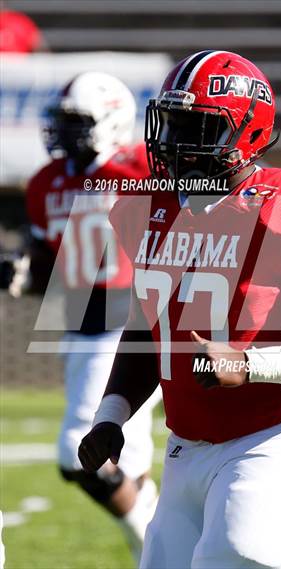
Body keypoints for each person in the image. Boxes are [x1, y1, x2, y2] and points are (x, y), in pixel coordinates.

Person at [78, 51, 281, 569]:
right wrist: (111, 415)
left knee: (239, 558)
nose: (175, 144)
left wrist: (248, 365)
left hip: (278, 434)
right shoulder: (146, 208)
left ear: (245, 133)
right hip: (186, 445)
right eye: (172, 124)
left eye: (195, 127)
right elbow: (147, 326)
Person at [24, 72, 160, 563]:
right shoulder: (46, 182)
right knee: (122, 456)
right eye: (61, 121)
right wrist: (21, 270)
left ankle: (149, 527)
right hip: (79, 324)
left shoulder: (140, 169)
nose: (64, 132)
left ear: (113, 122)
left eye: (77, 121)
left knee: (77, 452)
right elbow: (44, 261)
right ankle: (157, 541)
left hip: (126, 319)